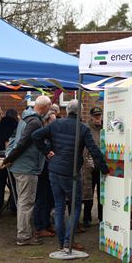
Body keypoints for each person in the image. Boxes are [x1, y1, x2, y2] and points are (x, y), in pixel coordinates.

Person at [32, 99, 108, 252]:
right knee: (74, 207)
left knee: (60, 206)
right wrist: (105, 169)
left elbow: (35, 136)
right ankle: (68, 242)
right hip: (71, 172)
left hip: (54, 170)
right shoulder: (83, 128)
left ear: (67, 111)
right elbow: (94, 150)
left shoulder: (55, 124)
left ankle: (63, 242)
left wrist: (47, 151)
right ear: (79, 112)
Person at [2, 96, 51, 246]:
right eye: (49, 108)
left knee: (24, 201)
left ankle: (25, 233)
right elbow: (23, 143)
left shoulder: (25, 118)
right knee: (26, 202)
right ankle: (24, 236)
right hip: (26, 167)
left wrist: (9, 157)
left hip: (21, 166)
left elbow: (13, 140)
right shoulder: (35, 122)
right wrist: (8, 159)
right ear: (46, 107)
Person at [0, 109, 18, 214]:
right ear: (15, 117)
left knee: (0, 183)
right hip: (14, 159)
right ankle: (14, 207)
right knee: (14, 183)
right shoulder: (18, 127)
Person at [33, 111, 57, 238]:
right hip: (42, 170)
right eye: (52, 121)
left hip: (49, 170)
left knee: (49, 198)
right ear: (46, 121)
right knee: (41, 199)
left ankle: (47, 224)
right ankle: (39, 227)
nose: (55, 123)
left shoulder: (50, 135)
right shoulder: (42, 135)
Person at [82, 107, 103, 228]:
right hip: (88, 165)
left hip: (101, 165)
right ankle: (86, 218)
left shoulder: (104, 128)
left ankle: (101, 218)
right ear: (91, 116)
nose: (97, 118)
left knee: (102, 193)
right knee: (88, 192)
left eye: (99, 115)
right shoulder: (86, 128)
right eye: (95, 116)